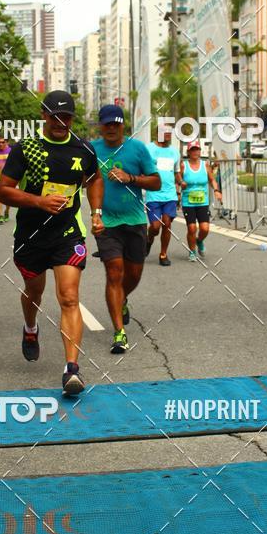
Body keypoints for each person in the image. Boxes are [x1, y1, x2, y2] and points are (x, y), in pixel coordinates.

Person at [0, 90, 104, 395]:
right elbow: (4, 191)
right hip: (31, 235)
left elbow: (95, 178)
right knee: (34, 292)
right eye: (55, 116)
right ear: (44, 115)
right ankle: (30, 328)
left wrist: (96, 213)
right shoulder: (26, 149)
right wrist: (38, 201)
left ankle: (72, 370)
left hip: (68, 234)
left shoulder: (83, 148)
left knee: (69, 297)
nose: (60, 122)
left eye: (66, 116)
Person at [92, 104, 161, 353]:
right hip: (107, 222)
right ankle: (119, 333)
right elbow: (85, 183)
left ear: (123, 125)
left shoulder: (137, 149)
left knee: (133, 275)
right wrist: (95, 214)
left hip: (134, 221)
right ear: (100, 125)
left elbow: (156, 181)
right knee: (114, 273)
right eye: (107, 124)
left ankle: (123, 300)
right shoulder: (92, 150)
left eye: (116, 124)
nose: (111, 128)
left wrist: (130, 178)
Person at [180, 141, 222, 261]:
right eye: (192, 150)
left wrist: (216, 190)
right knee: (192, 228)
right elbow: (178, 179)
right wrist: (179, 188)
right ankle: (192, 251)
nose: (195, 152)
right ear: (188, 152)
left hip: (203, 202)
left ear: (200, 151)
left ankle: (199, 241)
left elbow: (212, 180)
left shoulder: (205, 165)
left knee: (204, 229)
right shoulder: (184, 165)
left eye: (196, 149)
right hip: (188, 202)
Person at [146, 128, 182, 266]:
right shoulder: (149, 148)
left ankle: (163, 254)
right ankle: (149, 240)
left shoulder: (174, 151)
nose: (168, 135)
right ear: (158, 133)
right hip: (153, 193)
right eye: (165, 132)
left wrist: (181, 182)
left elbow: (176, 172)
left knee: (166, 223)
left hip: (170, 194)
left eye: (169, 133)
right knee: (155, 226)